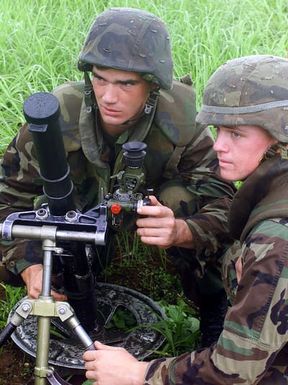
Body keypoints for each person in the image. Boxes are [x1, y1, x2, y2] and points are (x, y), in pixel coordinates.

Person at [0, 8, 234, 344]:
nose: (109, 96)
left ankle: (214, 306)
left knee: (182, 202)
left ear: (152, 86)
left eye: (126, 83)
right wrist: (29, 263)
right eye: (99, 78)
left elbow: (224, 202)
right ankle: (69, 279)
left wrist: (180, 229)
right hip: (74, 212)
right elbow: (6, 195)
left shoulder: (181, 123)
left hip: (145, 213)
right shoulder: (55, 120)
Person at [83, 54, 288, 385]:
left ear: (279, 138)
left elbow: (231, 373)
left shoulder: (276, 243)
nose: (219, 145)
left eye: (236, 134)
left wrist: (138, 373)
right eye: (218, 130)